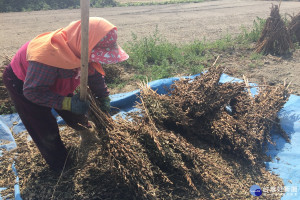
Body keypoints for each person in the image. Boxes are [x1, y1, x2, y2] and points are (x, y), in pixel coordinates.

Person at [2, 17, 129, 172]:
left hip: (53, 78)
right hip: (25, 84)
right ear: (85, 46)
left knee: (76, 108)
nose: (93, 59)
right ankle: (61, 165)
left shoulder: (81, 49)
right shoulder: (47, 57)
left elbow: (93, 74)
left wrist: (103, 97)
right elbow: (33, 91)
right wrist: (66, 103)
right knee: (43, 125)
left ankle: (86, 135)